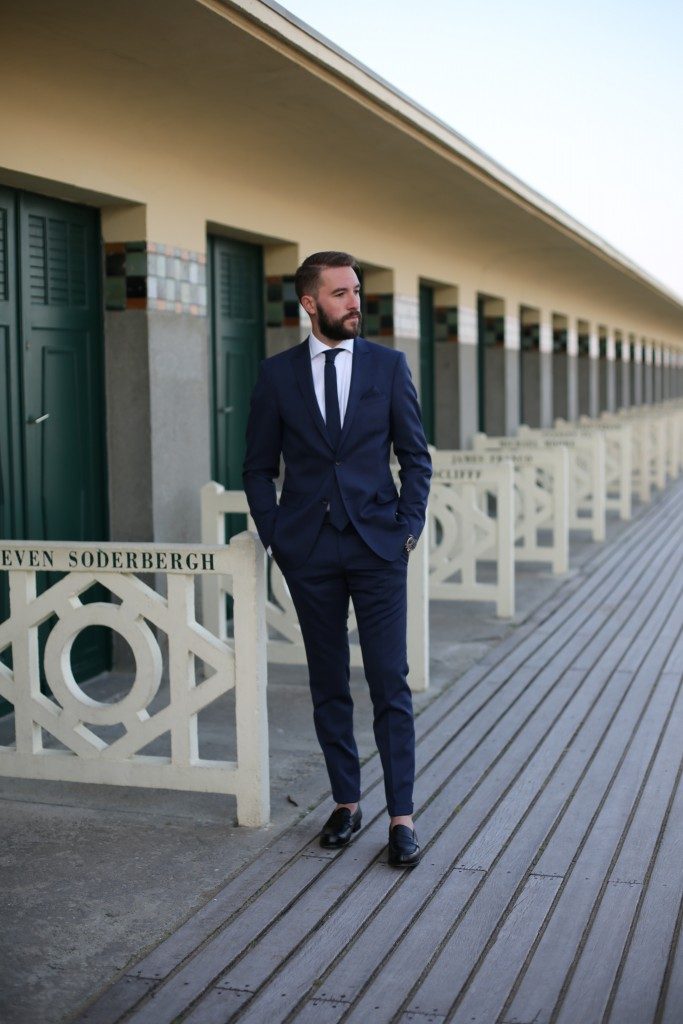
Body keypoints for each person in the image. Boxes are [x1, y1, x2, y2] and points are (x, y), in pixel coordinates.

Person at [243, 251, 431, 868]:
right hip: (309, 550)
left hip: (378, 547)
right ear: (310, 303)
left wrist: (407, 530)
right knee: (328, 682)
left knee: (389, 680)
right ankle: (346, 803)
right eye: (341, 293)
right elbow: (257, 467)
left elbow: (416, 457)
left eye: (356, 290)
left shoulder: (388, 366)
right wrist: (277, 536)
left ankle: (402, 816)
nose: (355, 302)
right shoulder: (277, 375)